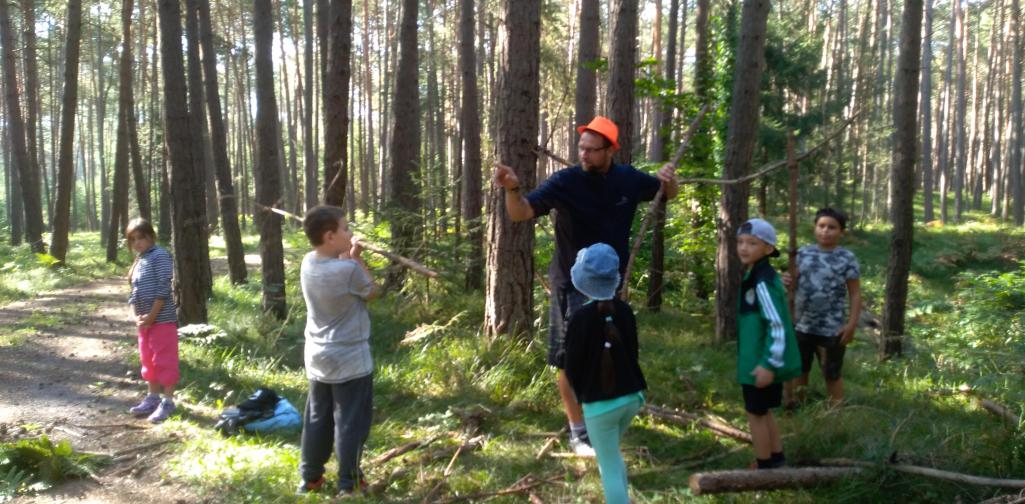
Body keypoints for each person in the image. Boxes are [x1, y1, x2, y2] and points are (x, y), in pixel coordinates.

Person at [493, 116, 678, 455]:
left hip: (612, 286)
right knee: (569, 358)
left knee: (609, 352)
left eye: (592, 150)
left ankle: (600, 422)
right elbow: (520, 213)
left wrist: (669, 181)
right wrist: (512, 188)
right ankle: (578, 431)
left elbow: (665, 194)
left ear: (610, 150)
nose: (584, 155)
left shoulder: (628, 179)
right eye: (581, 148)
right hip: (571, 285)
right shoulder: (565, 182)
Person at [296, 205, 378, 497]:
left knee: (318, 417)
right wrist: (357, 259)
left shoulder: (307, 262)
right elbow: (370, 291)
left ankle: (311, 478)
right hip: (350, 360)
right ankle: (350, 482)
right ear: (330, 236)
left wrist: (348, 259)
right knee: (350, 422)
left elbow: (339, 270)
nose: (351, 232)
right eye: (345, 228)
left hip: (318, 358)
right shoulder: (349, 270)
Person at [562, 243, 646, 504]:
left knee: (607, 465)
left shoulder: (579, 318)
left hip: (601, 408)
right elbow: (633, 352)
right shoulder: (625, 311)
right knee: (611, 455)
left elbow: (571, 366)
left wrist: (580, 395)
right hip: (633, 399)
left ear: (582, 281)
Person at [735, 218, 801, 469]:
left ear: (769, 249)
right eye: (740, 242)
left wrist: (768, 364)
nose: (744, 248)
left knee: (755, 414)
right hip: (758, 361)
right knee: (765, 411)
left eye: (752, 243)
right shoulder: (757, 275)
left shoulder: (762, 281)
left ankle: (762, 467)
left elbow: (776, 325)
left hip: (760, 365)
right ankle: (776, 459)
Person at [784, 208, 861, 407]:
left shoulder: (846, 258)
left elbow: (854, 293)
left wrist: (851, 325)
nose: (825, 231)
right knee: (800, 369)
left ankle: (835, 413)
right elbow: (792, 283)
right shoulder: (802, 253)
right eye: (821, 226)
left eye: (832, 227)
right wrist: (787, 280)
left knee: (832, 372)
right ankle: (798, 407)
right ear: (815, 228)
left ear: (841, 232)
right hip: (802, 324)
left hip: (832, 327)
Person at [125, 218, 179, 424]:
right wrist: (135, 317)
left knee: (165, 360)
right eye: (133, 239)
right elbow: (133, 294)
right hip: (144, 323)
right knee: (148, 360)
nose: (138, 242)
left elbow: (163, 288)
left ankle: (168, 401)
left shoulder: (160, 256)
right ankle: (152, 397)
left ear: (151, 236)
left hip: (162, 321)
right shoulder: (139, 261)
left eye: (141, 237)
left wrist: (152, 316)